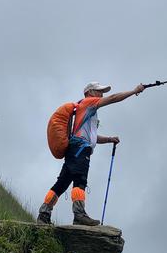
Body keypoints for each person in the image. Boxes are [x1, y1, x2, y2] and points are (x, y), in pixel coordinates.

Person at [37, 81, 145, 226]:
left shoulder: (85, 109)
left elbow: (91, 136)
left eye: (102, 92)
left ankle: (44, 214)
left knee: (61, 183)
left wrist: (108, 139)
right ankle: (79, 214)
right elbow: (113, 98)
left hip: (76, 148)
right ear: (89, 92)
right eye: (98, 91)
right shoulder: (88, 103)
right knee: (80, 180)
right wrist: (134, 91)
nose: (101, 94)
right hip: (81, 149)